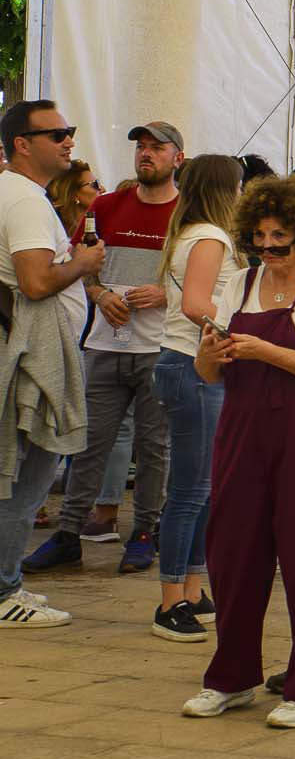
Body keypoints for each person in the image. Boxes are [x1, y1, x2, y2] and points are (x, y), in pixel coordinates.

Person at [178, 177, 295, 725]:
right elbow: (206, 372)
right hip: (243, 431)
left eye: (280, 236)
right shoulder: (240, 284)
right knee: (233, 553)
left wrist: (266, 350)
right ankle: (231, 677)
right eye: (259, 236)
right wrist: (211, 353)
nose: (269, 247)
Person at [26, 122, 178, 577]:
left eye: (157, 148)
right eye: (141, 148)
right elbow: (78, 265)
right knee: (88, 443)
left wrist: (167, 293)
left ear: (178, 158)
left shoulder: (188, 214)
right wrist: (98, 294)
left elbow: (207, 276)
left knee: (154, 447)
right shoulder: (107, 206)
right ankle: (69, 533)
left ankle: (145, 534)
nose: (146, 155)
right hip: (105, 344)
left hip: (160, 347)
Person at [0, 101, 100, 629]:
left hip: (29, 353)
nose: (68, 141)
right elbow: (37, 282)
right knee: (26, 478)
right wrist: (82, 263)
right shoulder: (24, 201)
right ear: (22, 143)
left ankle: (8, 579)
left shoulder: (19, 194)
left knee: (24, 473)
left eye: (71, 131)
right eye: (58, 133)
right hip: (32, 360)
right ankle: (3, 591)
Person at [149, 154, 242, 640]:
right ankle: (169, 601)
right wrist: (244, 331)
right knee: (188, 491)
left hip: (189, 366)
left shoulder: (194, 233)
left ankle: (191, 587)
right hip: (191, 365)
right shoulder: (210, 236)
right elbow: (194, 305)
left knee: (204, 487)